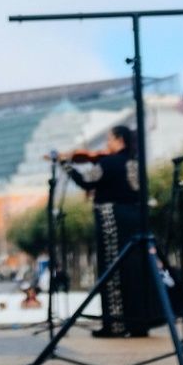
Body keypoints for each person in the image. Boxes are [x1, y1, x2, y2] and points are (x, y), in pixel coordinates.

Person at [62, 125, 162, 338]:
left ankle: (115, 325)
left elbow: (85, 182)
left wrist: (66, 165)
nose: (106, 144)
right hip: (135, 219)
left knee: (112, 269)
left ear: (119, 140)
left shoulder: (107, 163)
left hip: (111, 220)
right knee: (136, 269)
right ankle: (139, 324)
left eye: (109, 139)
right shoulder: (135, 163)